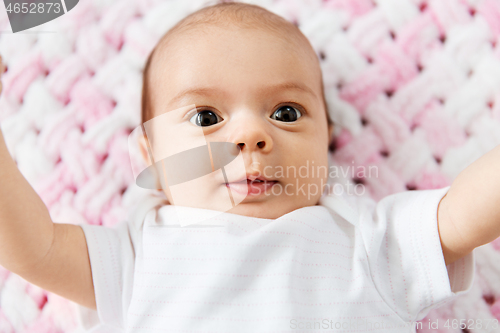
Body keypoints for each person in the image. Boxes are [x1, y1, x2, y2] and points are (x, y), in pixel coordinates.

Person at [2, 1, 498, 332]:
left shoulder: (365, 239)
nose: (250, 136)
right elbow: (35, 247)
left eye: (285, 113)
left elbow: (460, 214)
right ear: (150, 156)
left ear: (327, 141)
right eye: (206, 117)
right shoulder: (135, 254)